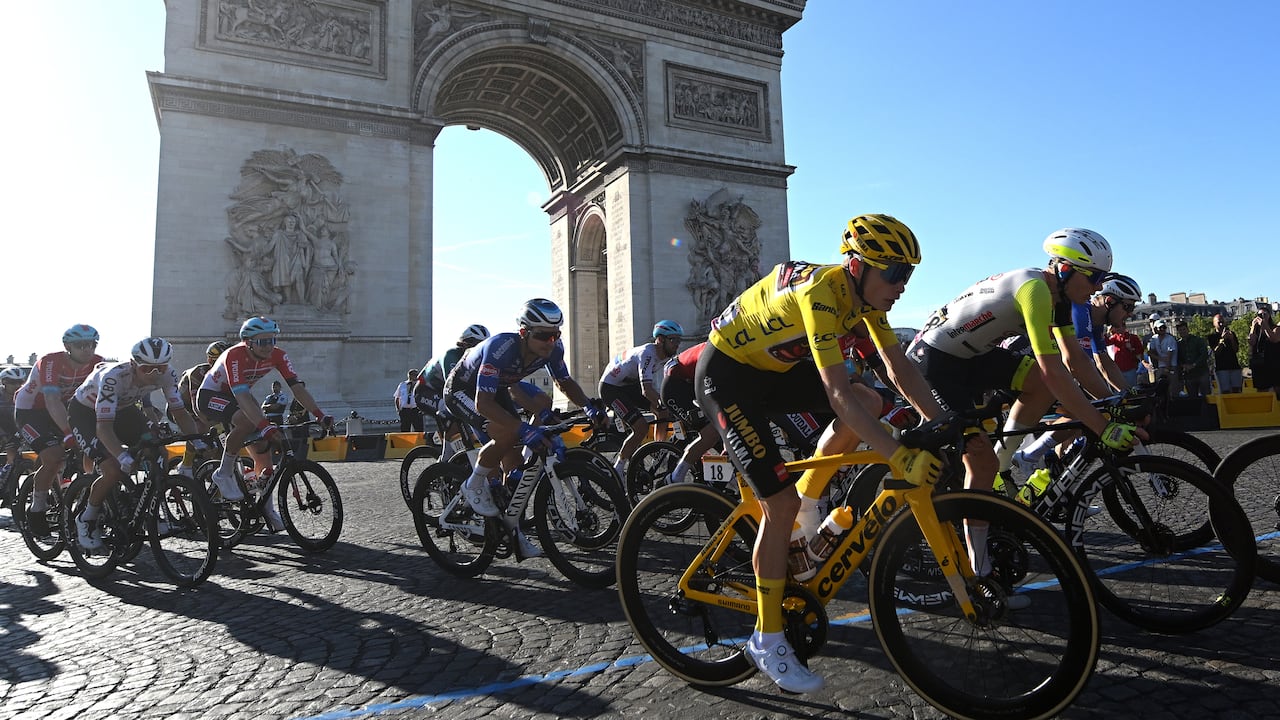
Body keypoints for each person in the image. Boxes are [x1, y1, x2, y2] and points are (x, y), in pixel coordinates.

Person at [696, 215, 944, 694]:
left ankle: (809, 506)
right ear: (857, 266)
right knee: (779, 503)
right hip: (727, 376)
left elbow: (898, 367)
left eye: (908, 274)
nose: (902, 286)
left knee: (870, 399)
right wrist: (898, 456)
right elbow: (836, 395)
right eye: (895, 273)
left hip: (772, 373)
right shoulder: (821, 293)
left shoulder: (865, 300)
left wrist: (940, 421)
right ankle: (767, 639)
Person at [908, 228, 1142, 592]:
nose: (1098, 288)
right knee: (980, 462)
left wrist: (1114, 406)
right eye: (1094, 278)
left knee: (1038, 388)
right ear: (1065, 269)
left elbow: (1076, 360)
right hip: (934, 362)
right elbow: (1055, 370)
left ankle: (1005, 461)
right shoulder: (1035, 290)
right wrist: (1102, 426)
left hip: (973, 357)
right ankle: (979, 575)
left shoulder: (1060, 295)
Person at [444, 299, 605, 559]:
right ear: (523, 332)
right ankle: (473, 485)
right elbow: (483, 404)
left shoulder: (553, 349)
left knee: (514, 463)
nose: (550, 342)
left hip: (496, 389)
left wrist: (588, 407)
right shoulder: (500, 348)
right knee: (507, 432)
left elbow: (564, 382)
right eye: (543, 335)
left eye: (555, 335)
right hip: (462, 391)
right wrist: (525, 430)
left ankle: (512, 531)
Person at [67, 338, 204, 552]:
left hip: (124, 410)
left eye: (160, 367)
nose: (155, 374)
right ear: (133, 364)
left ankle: (145, 508)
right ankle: (87, 518)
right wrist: (122, 456)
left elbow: (179, 413)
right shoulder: (114, 377)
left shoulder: (168, 374)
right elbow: (104, 428)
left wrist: (197, 440)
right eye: (147, 368)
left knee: (158, 451)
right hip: (86, 414)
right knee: (113, 469)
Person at [197, 317, 333, 531]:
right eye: (263, 342)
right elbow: (242, 396)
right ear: (248, 342)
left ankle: (266, 507)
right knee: (246, 422)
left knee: (264, 452)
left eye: (272, 340)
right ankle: (223, 473)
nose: (269, 346)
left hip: (239, 396)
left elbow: (297, 389)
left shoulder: (278, 355)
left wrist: (320, 415)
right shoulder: (234, 355)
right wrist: (264, 425)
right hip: (211, 396)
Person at [12, 325, 105, 536]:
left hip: (62, 408)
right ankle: (37, 508)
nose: (87, 349)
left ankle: (85, 489)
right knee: (54, 457)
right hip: (31, 411)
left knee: (91, 446)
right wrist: (68, 432)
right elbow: (51, 399)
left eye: (91, 344)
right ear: (67, 347)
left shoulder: (97, 362)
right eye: (80, 345)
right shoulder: (51, 361)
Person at [599, 320, 683, 479]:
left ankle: (658, 451)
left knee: (662, 413)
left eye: (679, 340)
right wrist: (666, 404)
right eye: (673, 340)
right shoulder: (647, 354)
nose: (677, 344)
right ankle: (618, 469)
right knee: (641, 427)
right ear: (660, 340)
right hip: (611, 389)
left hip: (629, 387)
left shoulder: (663, 355)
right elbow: (647, 390)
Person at [173, 340, 232, 478]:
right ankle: (186, 465)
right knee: (199, 427)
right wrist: (214, 425)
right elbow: (196, 407)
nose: (225, 367)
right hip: (183, 408)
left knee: (223, 438)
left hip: (207, 406)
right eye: (221, 363)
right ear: (210, 361)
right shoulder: (197, 374)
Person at [415, 324, 490, 416]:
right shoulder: (451, 355)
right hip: (425, 391)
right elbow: (452, 386)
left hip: (442, 391)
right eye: (478, 346)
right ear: (465, 343)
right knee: (454, 411)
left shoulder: (472, 360)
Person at [0, 366, 27, 506]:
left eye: (20, 382)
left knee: (14, 456)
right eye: (12, 382)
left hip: (13, 428)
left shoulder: (24, 395)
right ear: (4, 382)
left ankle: (8, 490)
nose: (17, 385)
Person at [1249, 305, 1280, 394]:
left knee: (1277, 388)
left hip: (1273, 362)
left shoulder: (1276, 328)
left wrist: (1265, 326)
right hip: (1259, 363)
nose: (1262, 316)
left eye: (1264, 314)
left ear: (1269, 316)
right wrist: (1253, 327)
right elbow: (1251, 342)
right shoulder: (1256, 330)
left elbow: (1274, 339)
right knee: (1262, 389)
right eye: (1260, 315)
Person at [1176, 320, 1210, 399]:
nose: (1182, 331)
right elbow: (1177, 358)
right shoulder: (1178, 344)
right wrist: (1183, 365)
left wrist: (1194, 365)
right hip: (1189, 375)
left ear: (1188, 329)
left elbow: (1204, 355)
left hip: (1201, 372)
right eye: (1180, 330)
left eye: (1184, 329)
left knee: (1206, 397)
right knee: (1192, 398)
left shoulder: (1198, 340)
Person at [1209, 313, 1242, 393]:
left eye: (1222, 322)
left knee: (1236, 390)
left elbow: (1236, 349)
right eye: (1219, 322)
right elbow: (1216, 352)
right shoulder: (1212, 336)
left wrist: (1232, 339)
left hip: (1234, 365)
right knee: (1225, 391)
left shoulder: (1231, 333)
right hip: (1221, 367)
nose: (1221, 324)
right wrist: (1222, 340)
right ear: (1214, 323)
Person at [1146, 319, 1179, 399]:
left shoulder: (1170, 339)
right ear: (1156, 329)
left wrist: (1167, 368)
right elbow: (1150, 352)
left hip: (1171, 366)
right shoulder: (1154, 338)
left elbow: (1170, 355)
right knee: (1160, 389)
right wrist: (1160, 358)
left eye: (1164, 327)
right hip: (1161, 366)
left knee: (1172, 389)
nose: (1162, 329)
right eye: (1160, 328)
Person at [1106, 325, 1145, 389]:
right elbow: (1107, 342)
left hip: (1130, 367)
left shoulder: (1133, 337)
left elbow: (1140, 350)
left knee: (1132, 388)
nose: (1117, 329)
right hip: (1119, 368)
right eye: (1116, 327)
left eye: (1118, 327)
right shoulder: (1115, 337)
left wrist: (1131, 349)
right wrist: (1108, 332)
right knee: (1121, 389)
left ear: (1124, 327)